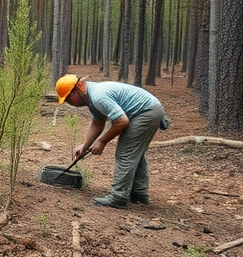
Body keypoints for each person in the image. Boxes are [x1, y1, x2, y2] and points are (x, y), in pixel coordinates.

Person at [56, 74, 166, 209]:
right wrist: (85, 146)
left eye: (68, 100)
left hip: (146, 112)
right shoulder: (92, 98)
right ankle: (139, 194)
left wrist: (102, 142)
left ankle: (118, 197)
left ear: (75, 93)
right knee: (134, 153)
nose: (70, 103)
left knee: (126, 153)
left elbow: (121, 121)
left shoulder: (98, 96)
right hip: (149, 109)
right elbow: (98, 123)